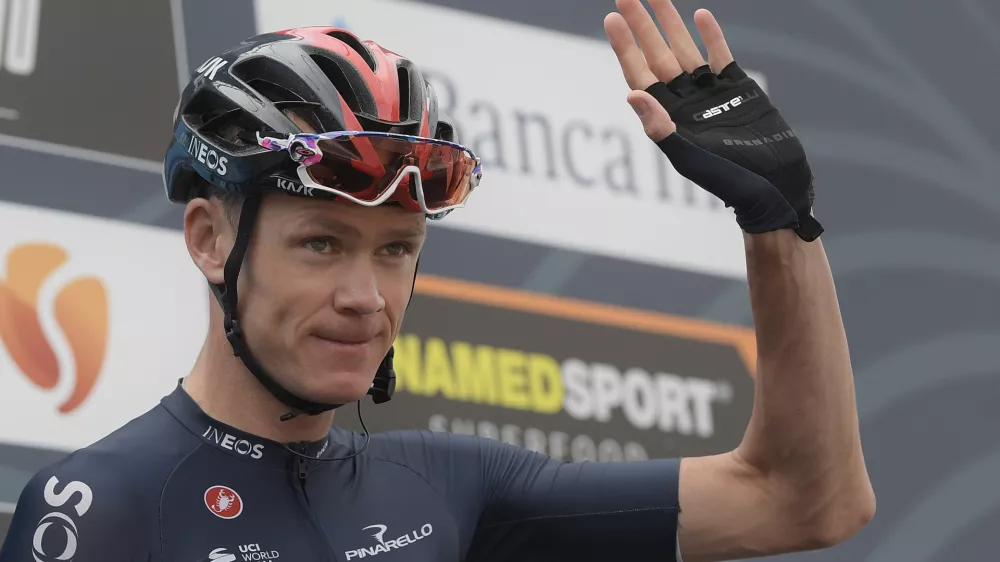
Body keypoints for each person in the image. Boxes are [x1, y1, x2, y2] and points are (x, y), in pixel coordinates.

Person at [0, 0, 875, 560]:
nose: (365, 296)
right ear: (207, 238)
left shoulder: (453, 488)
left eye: (395, 249)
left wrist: (780, 226)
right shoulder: (101, 509)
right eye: (321, 244)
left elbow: (807, 500)